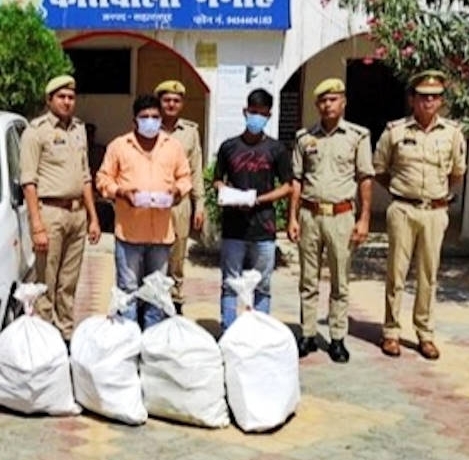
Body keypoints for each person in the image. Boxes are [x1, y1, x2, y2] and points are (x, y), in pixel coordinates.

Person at [373, 70, 467, 360]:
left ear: (441, 101)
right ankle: (391, 332)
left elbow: (457, 173)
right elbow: (380, 169)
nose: (429, 102)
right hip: (403, 209)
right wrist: (403, 192)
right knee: (396, 273)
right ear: (412, 99)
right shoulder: (395, 131)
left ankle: (425, 334)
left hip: (434, 212)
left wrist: (436, 195)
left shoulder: (452, 133)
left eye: (435, 97)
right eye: (423, 96)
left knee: (428, 275)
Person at [288, 78, 374, 363]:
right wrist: (292, 217)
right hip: (309, 215)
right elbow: (297, 179)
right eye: (323, 101)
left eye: (333, 99)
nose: (328, 105)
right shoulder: (304, 138)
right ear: (317, 105)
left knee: (340, 281)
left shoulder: (357, 136)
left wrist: (364, 219)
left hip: (341, 216)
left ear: (343, 102)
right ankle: (308, 334)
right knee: (307, 279)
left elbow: (365, 178)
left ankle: (337, 338)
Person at [96, 94, 192, 329]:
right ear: (135, 121)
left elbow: (185, 177)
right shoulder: (119, 146)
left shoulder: (173, 147)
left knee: (156, 291)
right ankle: (129, 338)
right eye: (145, 117)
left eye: (155, 117)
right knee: (127, 291)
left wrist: (176, 191)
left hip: (161, 235)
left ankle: (151, 339)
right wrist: (121, 192)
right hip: (129, 234)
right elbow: (103, 179)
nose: (150, 121)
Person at [20, 75, 101, 342]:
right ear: (49, 100)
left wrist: (93, 217)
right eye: (61, 97)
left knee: (68, 282)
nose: (67, 102)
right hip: (50, 214)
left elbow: (86, 176)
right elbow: (28, 181)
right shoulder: (36, 131)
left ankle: (65, 334)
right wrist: (37, 225)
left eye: (71, 97)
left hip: (77, 214)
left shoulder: (78, 129)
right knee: (46, 281)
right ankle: (45, 337)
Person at [213, 88, 292, 329]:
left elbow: (288, 186)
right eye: (253, 112)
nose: (257, 117)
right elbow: (217, 180)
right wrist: (227, 194)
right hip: (233, 227)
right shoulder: (229, 147)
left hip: (263, 227)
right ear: (245, 112)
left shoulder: (277, 149)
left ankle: (259, 332)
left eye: (262, 114)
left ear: (269, 116)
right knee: (230, 283)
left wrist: (259, 199)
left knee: (262, 285)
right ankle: (228, 331)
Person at [155, 79, 206, 314]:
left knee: (177, 254)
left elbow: (196, 170)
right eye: (167, 100)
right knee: (154, 253)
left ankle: (175, 299)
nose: (171, 104)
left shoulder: (190, 132)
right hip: (153, 203)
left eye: (176, 100)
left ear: (182, 104)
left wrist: (199, 204)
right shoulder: (149, 127)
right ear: (159, 102)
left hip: (180, 204)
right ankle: (154, 299)